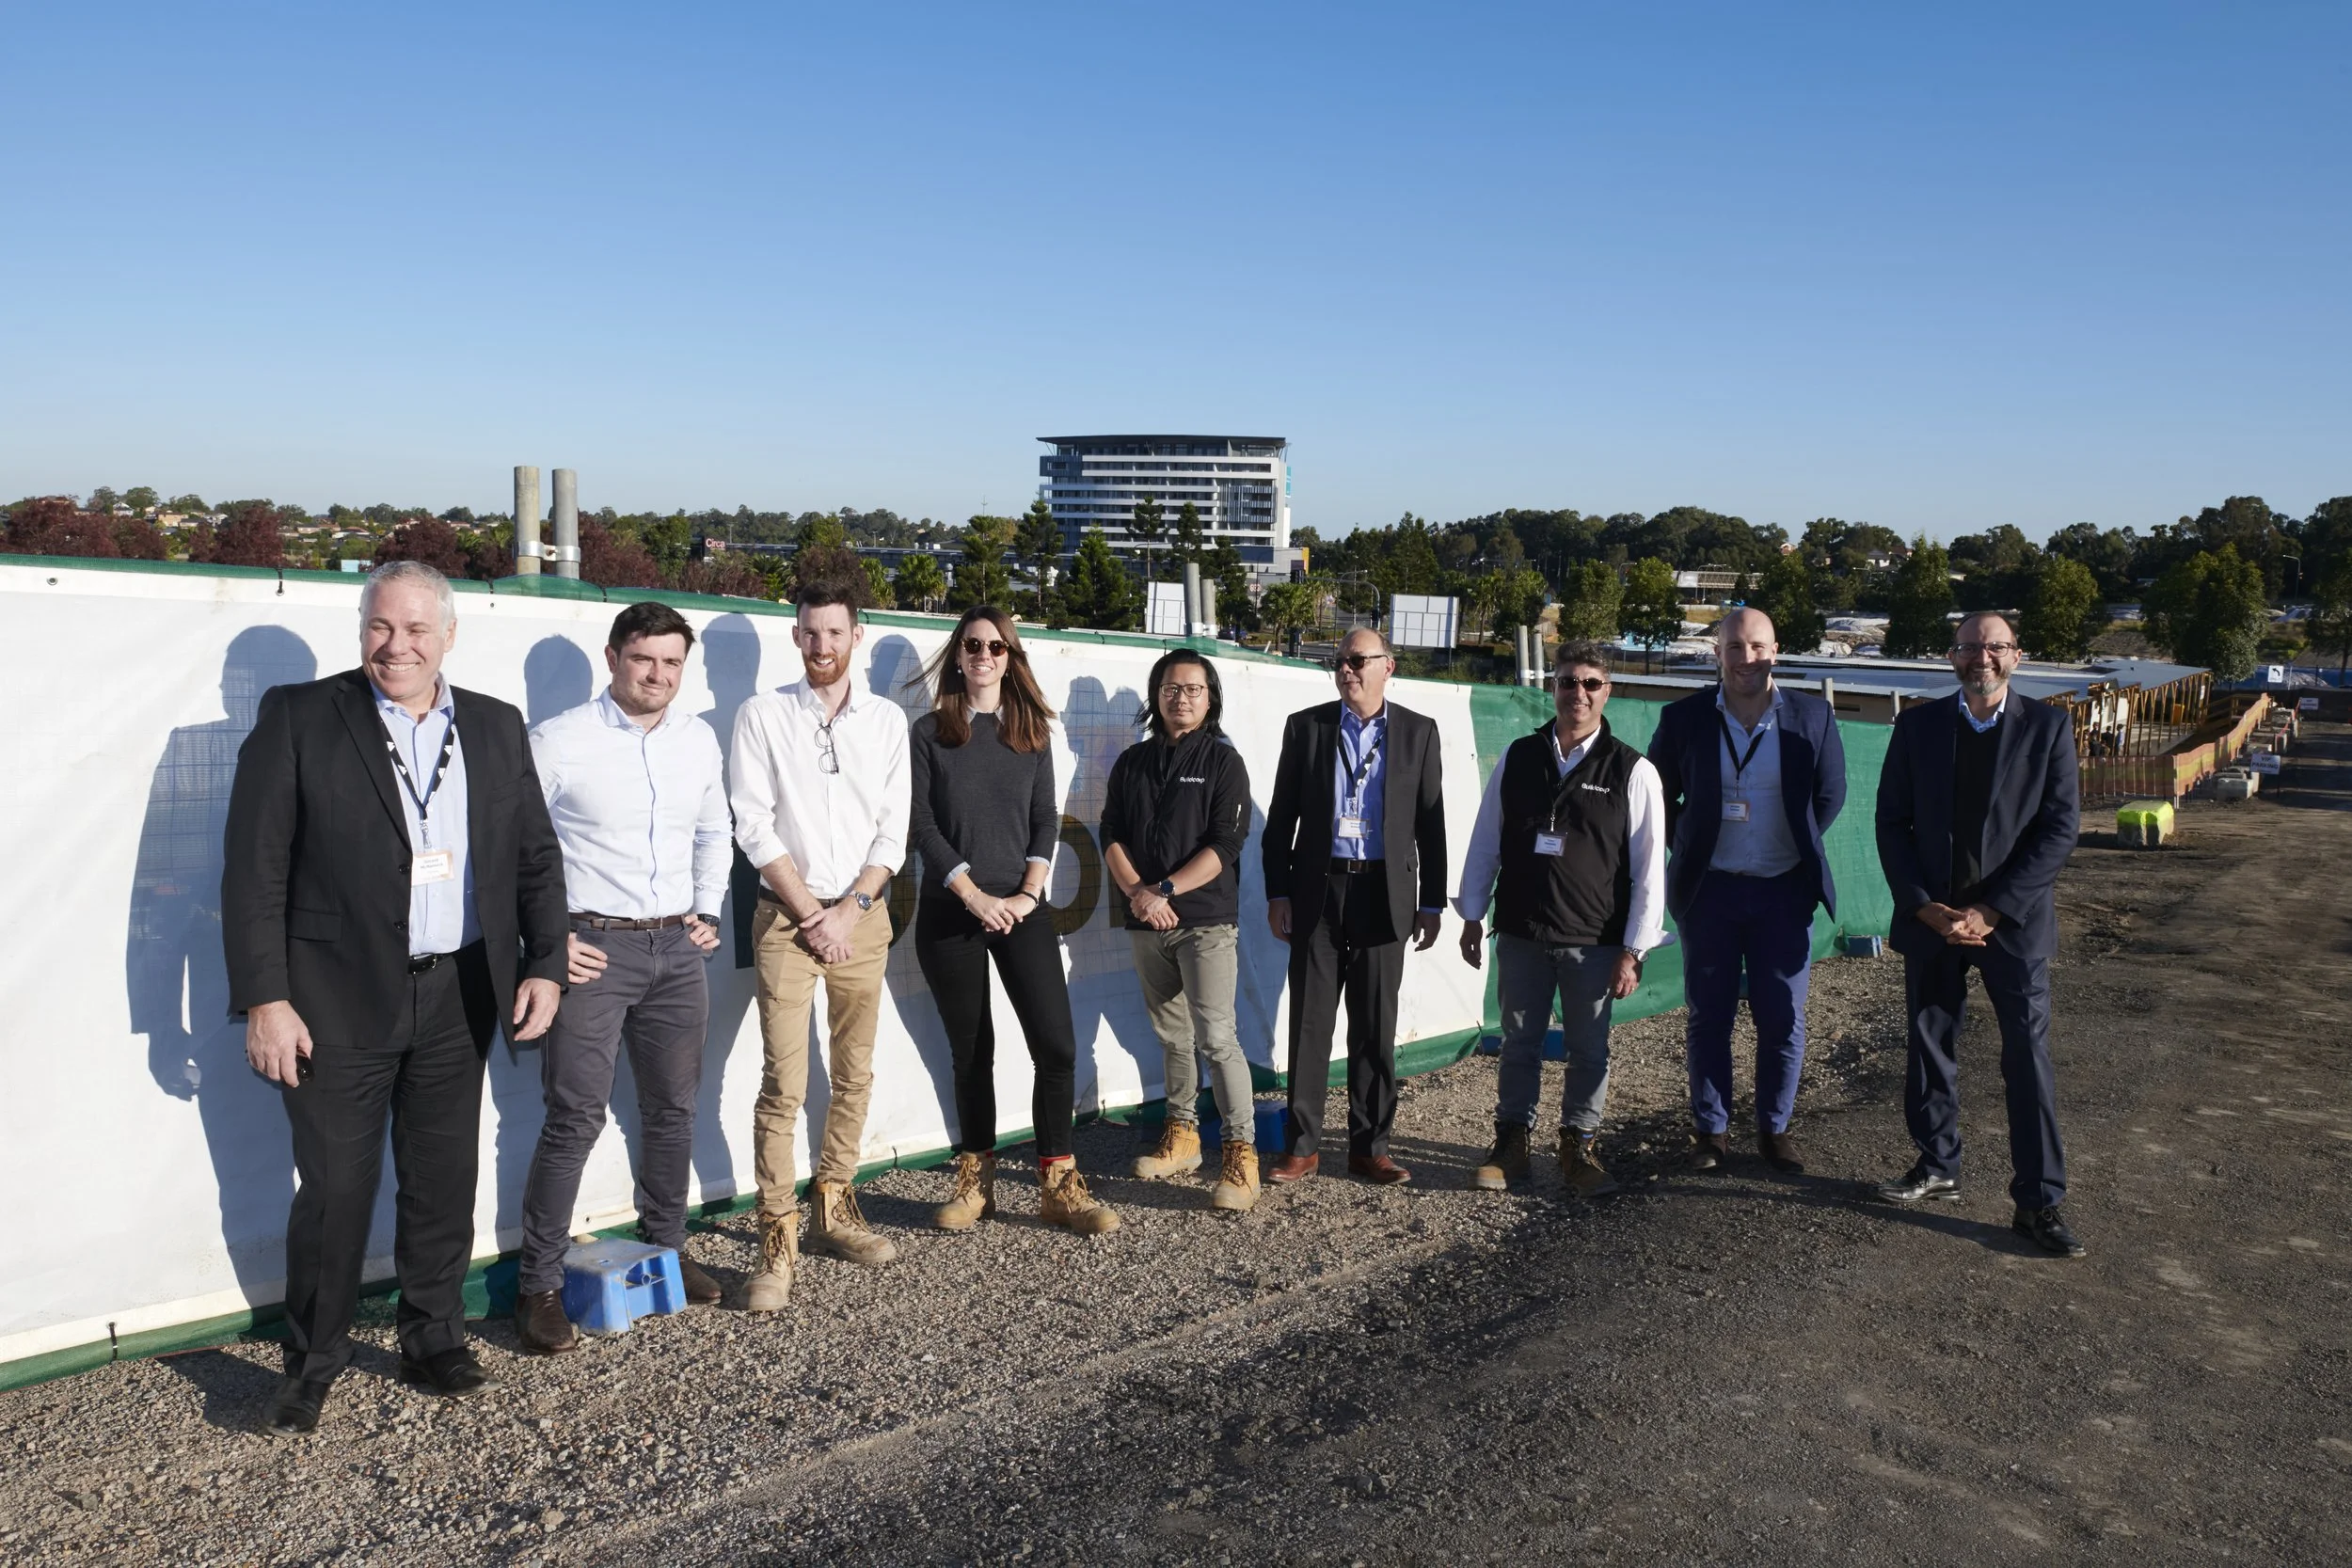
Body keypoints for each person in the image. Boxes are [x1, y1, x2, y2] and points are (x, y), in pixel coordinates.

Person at [222, 561, 567, 1435]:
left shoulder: (493, 726)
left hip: (459, 993)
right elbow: (252, 869)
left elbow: (534, 858)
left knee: (441, 1178)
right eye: (381, 626)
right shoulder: (300, 718)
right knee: (335, 1190)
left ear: (448, 635)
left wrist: (547, 962)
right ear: (361, 628)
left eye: (416, 629)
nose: (396, 645)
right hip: (332, 1000)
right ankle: (313, 1362)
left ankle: (433, 1336)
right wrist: (266, 997)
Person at [513, 603, 733, 1354]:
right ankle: (537, 1284)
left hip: (676, 949)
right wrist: (544, 943)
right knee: (572, 1115)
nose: (659, 675)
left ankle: (666, 1247)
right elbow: (511, 849)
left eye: (673, 663)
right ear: (613, 657)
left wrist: (707, 908)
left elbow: (713, 830)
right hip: (593, 951)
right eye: (645, 659)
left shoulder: (698, 739)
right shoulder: (558, 740)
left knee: (674, 1108)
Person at [1874, 610, 2086, 1258]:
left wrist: (1994, 910)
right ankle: (1937, 1164)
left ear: (2015, 656)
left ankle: (2039, 1201)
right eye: (1969, 648)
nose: (1981, 658)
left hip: (2010, 925)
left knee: (2027, 1058)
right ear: (1951, 657)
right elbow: (1891, 824)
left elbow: (2059, 829)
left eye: (1994, 647)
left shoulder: (2048, 728)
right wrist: (1923, 907)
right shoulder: (1916, 726)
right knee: (1930, 1045)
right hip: (1935, 921)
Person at [729, 579, 910, 1310]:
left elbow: (892, 829)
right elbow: (752, 822)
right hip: (785, 916)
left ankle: (836, 1201)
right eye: (809, 632)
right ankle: (778, 1231)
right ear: (795, 634)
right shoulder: (761, 713)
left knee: (856, 1068)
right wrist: (812, 912)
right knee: (785, 1081)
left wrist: (851, 908)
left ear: (856, 634)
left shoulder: (887, 720)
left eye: (834, 633)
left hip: (862, 916)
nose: (821, 646)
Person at [911, 608, 1118, 1235]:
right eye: (972, 644)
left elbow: (1044, 820)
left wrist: (1030, 892)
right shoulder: (929, 732)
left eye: (996, 646)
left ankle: (1057, 1179)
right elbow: (921, 825)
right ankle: (977, 1182)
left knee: (1055, 1044)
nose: (983, 655)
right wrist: (973, 894)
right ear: (957, 654)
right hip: (953, 909)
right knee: (972, 1052)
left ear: (1011, 656)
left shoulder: (1030, 732)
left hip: (1022, 909)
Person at [1454, 641, 1666, 1196]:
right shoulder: (1518, 757)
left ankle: (1579, 1146)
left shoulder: (1633, 770)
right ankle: (1512, 1143)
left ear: (1607, 691)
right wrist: (1473, 915)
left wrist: (1634, 949)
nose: (1579, 693)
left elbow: (1649, 870)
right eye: (1569, 681)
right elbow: (1485, 843)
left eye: (1591, 683)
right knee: (1518, 1043)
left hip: (1593, 941)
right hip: (1522, 932)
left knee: (1588, 1049)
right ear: (1554, 687)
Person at [1645, 608, 1846, 1173]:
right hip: (1709, 893)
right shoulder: (1684, 718)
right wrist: (1690, 838)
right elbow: (1656, 794)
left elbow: (1829, 794)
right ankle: (1711, 1132)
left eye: (1757, 647)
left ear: (1775, 651)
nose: (1747, 659)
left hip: (1784, 892)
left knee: (1782, 1016)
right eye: (1734, 648)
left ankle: (1774, 1129)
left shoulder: (1812, 716)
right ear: (1717, 654)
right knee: (1708, 1016)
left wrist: (1794, 843)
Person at [1261, 628, 1446, 1186]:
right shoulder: (1308, 727)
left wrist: (1432, 901)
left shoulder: (1417, 732)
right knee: (1310, 1024)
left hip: (1384, 894)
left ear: (1387, 666)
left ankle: (1370, 1148)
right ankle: (1302, 1147)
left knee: (1375, 1026)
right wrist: (1277, 893)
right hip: (1319, 892)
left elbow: (1430, 825)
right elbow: (1280, 822)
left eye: (1357, 660)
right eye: (1339, 662)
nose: (1346, 670)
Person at [1102, 650, 1258, 1211]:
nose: (1181, 697)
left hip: (1205, 922)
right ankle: (1184, 1136)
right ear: (1156, 695)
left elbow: (1225, 845)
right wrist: (1138, 894)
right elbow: (1111, 833)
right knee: (1172, 1036)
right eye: (1171, 688)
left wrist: (1164, 891)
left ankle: (1241, 1155)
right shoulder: (1132, 762)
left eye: (1193, 689)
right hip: (1147, 920)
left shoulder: (1222, 762)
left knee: (1217, 1037)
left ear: (1210, 697)